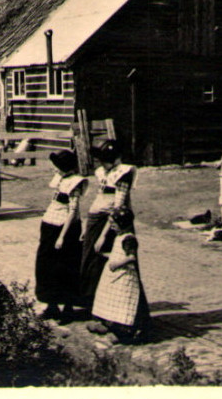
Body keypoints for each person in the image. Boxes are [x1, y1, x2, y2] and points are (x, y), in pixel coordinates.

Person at [81, 139, 137, 304]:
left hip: (111, 224)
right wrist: (87, 224)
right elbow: (99, 196)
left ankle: (109, 303)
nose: (102, 163)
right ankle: (90, 301)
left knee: (106, 261)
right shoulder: (101, 172)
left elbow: (118, 206)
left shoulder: (123, 173)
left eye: (105, 160)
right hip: (95, 220)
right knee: (89, 261)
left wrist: (104, 235)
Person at [36, 150, 88, 320]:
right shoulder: (60, 179)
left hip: (65, 229)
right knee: (46, 265)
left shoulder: (75, 182)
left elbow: (73, 212)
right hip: (50, 225)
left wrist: (62, 236)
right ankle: (51, 304)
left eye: (58, 166)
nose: (55, 169)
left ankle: (68, 307)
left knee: (65, 267)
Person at [87, 210, 150, 344]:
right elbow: (118, 252)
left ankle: (121, 333)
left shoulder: (129, 239)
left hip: (124, 276)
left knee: (122, 303)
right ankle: (107, 324)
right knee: (108, 298)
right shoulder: (119, 236)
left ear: (122, 223)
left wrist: (116, 264)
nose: (111, 226)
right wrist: (107, 256)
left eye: (113, 223)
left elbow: (131, 257)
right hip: (113, 275)